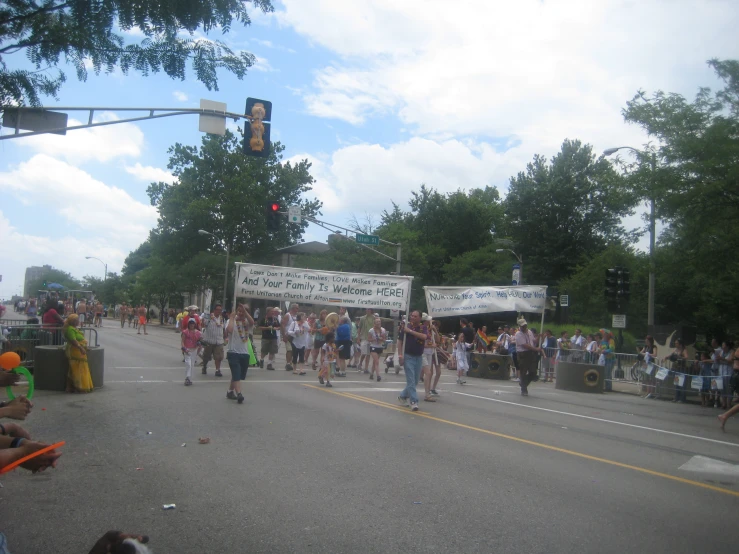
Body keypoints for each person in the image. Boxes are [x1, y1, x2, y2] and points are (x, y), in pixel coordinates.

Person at [397, 310, 429, 411]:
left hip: (418, 356)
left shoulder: (423, 327)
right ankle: (414, 401)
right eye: (412, 316)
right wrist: (400, 355)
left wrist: (410, 331)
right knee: (410, 380)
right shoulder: (405, 326)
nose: (413, 318)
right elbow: (399, 342)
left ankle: (402, 396)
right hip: (408, 356)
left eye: (415, 316)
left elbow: (424, 337)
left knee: (415, 381)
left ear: (420, 318)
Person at [225, 304, 254, 404]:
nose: (241, 313)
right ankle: (239, 394)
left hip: (244, 353)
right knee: (236, 373)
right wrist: (232, 318)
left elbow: (252, 322)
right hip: (233, 352)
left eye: (244, 311)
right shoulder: (231, 321)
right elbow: (229, 330)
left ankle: (230, 391)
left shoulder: (246, 322)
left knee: (237, 374)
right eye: (239, 311)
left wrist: (245, 313)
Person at [62, 314, 94, 393]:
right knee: (78, 369)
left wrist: (85, 347)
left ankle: (70, 387)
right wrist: (81, 348)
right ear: (74, 321)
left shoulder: (73, 328)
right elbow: (73, 341)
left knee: (73, 369)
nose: (78, 321)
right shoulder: (70, 329)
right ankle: (79, 387)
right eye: (77, 320)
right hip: (75, 351)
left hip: (78, 350)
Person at [515, 318, 544, 396]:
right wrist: (535, 349)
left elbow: (533, 341)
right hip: (523, 354)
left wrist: (539, 337)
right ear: (520, 326)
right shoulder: (518, 334)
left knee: (533, 372)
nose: (524, 327)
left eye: (525, 325)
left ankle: (523, 383)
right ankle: (524, 389)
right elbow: (525, 345)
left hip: (530, 354)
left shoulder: (530, 332)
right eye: (522, 326)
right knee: (523, 372)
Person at [200, 304, 226, 377]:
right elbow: (203, 324)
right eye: (217, 309)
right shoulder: (209, 317)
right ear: (214, 310)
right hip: (209, 340)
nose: (219, 311)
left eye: (220, 310)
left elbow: (223, 328)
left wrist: (225, 336)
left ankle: (217, 370)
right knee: (206, 356)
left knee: (219, 357)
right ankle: (204, 366)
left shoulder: (222, 318)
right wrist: (205, 319)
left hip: (219, 341)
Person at [180, 319, 201, 386]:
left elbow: (201, 341)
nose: (191, 325)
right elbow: (182, 341)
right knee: (188, 364)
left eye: (193, 323)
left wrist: (199, 344)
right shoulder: (185, 332)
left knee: (192, 365)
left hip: (194, 350)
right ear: (188, 324)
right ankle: (187, 378)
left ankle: (189, 378)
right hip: (187, 350)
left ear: (195, 324)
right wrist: (184, 348)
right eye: (190, 323)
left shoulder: (198, 333)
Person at [368, 317, 388, 382]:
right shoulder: (371, 330)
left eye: (379, 322)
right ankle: (378, 375)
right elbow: (369, 339)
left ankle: (371, 373)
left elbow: (385, 339)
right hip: (373, 347)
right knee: (376, 361)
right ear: (374, 323)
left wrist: (382, 339)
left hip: (380, 347)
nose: (378, 323)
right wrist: (374, 339)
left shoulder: (383, 330)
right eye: (377, 322)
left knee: (375, 362)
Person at [356, 308, 375, 373]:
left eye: (369, 309)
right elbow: (359, 328)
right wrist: (358, 338)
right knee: (364, 353)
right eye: (367, 309)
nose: (368, 310)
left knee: (368, 354)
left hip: (371, 338)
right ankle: (360, 363)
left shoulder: (374, 318)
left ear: (371, 310)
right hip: (364, 337)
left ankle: (366, 368)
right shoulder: (362, 318)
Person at [281, 303, 299, 371]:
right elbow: (282, 325)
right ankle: (288, 364)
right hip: (288, 335)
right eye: (297, 308)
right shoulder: (287, 315)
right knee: (289, 349)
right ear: (293, 308)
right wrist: (284, 335)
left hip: (295, 336)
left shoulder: (297, 316)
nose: (298, 309)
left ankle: (291, 362)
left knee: (294, 350)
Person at [428, 320, 444, 395]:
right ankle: (428, 389)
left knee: (438, 372)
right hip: (430, 353)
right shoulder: (428, 332)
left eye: (436, 326)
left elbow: (438, 340)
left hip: (436, 353)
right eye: (434, 325)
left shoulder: (438, 333)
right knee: (430, 372)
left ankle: (433, 388)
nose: (435, 327)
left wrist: (435, 331)